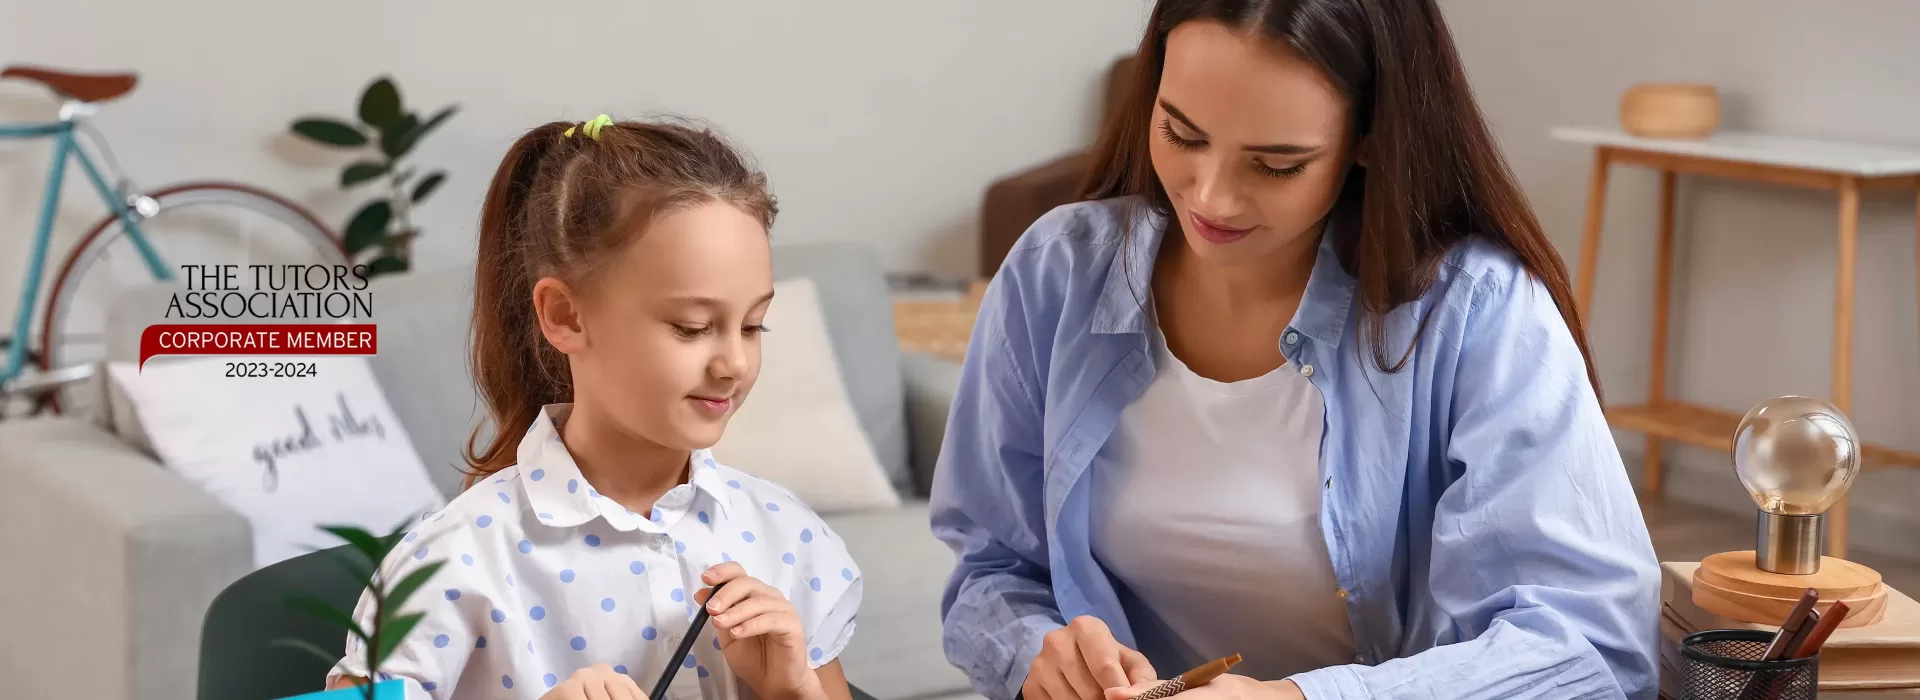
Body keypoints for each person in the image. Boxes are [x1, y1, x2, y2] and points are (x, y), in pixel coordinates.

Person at [928, 0, 1661, 699]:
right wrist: (1036, 651)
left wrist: (1300, 697)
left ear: (1370, 138)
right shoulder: (1058, 273)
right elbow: (992, 565)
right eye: (1181, 134)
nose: (1210, 198)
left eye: (1275, 165)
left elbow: (1590, 645)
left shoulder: (1476, 311)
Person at [323, 115, 863, 700]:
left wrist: (791, 692)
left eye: (753, 325)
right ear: (565, 316)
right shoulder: (450, 563)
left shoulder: (788, 538)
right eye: (692, 327)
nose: (732, 362)